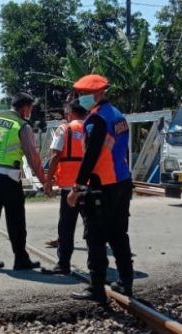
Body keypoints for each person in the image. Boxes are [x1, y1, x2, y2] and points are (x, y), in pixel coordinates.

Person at [67, 74, 134, 303]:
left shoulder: (96, 120)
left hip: (101, 185)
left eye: (83, 95)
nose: (80, 98)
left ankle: (96, 288)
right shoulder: (117, 115)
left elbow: (91, 157)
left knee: (95, 236)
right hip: (122, 181)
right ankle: (126, 282)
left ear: (97, 94)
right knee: (118, 235)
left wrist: (77, 187)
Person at [0, 92, 46, 271]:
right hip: (8, 176)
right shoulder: (22, 125)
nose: (30, 111)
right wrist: (43, 181)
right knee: (16, 219)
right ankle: (20, 259)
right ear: (25, 107)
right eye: (30, 108)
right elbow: (32, 157)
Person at [41, 100, 88, 275]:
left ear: (70, 112)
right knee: (91, 226)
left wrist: (47, 181)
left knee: (66, 226)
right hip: (90, 184)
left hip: (70, 185)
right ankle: (98, 266)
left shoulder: (65, 128)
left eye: (66, 113)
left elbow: (55, 155)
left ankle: (63, 264)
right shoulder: (93, 128)